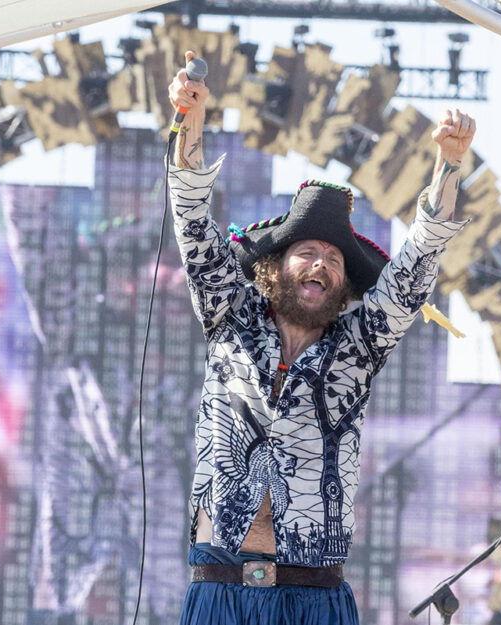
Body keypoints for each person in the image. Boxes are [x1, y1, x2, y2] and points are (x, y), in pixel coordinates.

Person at [167, 50, 475, 625]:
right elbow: (191, 219)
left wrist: (448, 164)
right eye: (307, 252)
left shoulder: (356, 350)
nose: (321, 265)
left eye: (333, 260)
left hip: (314, 597)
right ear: (275, 268)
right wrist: (191, 117)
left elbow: (414, 271)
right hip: (218, 586)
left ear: (343, 284)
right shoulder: (229, 314)